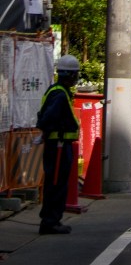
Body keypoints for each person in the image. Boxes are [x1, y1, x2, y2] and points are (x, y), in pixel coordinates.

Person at [36, 54, 81, 236]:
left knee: (55, 182)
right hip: (58, 146)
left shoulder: (57, 91)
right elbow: (48, 118)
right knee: (56, 183)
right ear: (70, 75)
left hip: (58, 145)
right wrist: (51, 131)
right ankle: (50, 222)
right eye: (75, 74)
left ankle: (52, 219)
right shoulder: (60, 95)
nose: (76, 78)